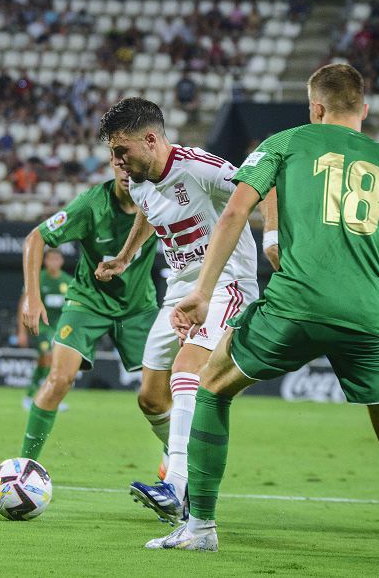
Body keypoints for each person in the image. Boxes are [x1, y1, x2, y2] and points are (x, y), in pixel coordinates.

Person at [146, 64, 379, 567]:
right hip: (369, 317)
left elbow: (232, 213)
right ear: (365, 110)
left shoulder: (287, 141)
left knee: (209, 385)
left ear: (315, 108)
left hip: (297, 303)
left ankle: (199, 525)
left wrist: (202, 292)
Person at [94, 97, 266, 520]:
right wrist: (125, 256)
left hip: (226, 284)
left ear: (150, 140)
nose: (117, 161)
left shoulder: (199, 167)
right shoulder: (137, 180)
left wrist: (276, 237)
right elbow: (149, 215)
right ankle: (182, 470)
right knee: (151, 399)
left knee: (187, 367)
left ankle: (177, 484)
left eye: (122, 151)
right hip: (178, 289)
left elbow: (263, 185)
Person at [17, 161, 159, 462]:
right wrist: (32, 296)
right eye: (118, 164)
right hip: (87, 301)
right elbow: (35, 238)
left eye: (130, 164)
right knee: (58, 380)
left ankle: (173, 472)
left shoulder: (160, 199)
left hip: (138, 307)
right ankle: (25, 467)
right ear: (111, 164)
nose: (125, 171)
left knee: (156, 399)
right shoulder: (92, 204)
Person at [16, 248, 74, 411]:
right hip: (40, 327)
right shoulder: (37, 279)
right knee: (48, 357)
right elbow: (23, 305)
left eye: (57, 259)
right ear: (45, 261)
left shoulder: (68, 281)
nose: (54, 262)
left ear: (61, 261)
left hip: (60, 329)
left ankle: (50, 398)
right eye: (50, 259)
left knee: (52, 363)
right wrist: (21, 332)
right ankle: (32, 396)